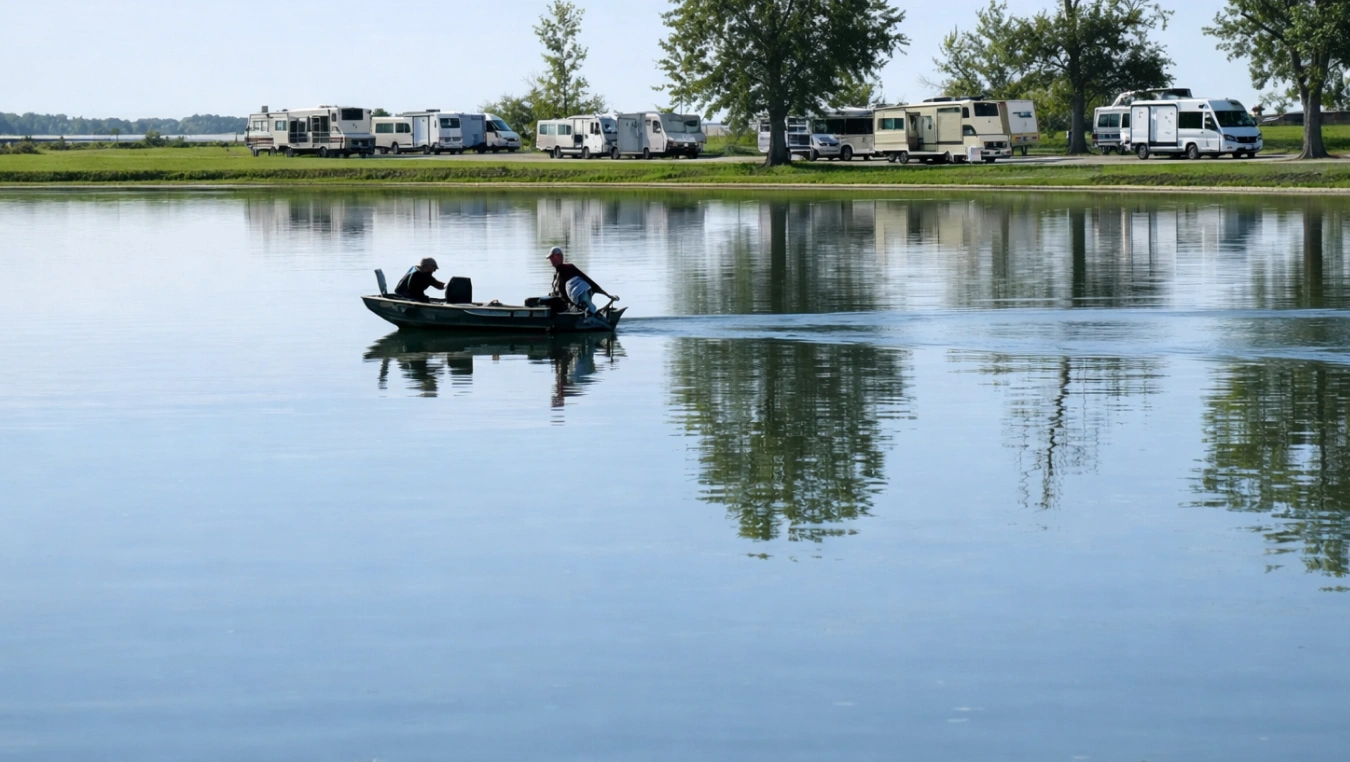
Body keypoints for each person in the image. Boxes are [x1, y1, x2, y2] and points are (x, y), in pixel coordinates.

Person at [547, 247, 612, 315]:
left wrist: (606, 294)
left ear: (558, 256)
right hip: (566, 306)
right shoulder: (557, 274)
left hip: (568, 308)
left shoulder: (568, 268)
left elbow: (588, 280)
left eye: (552, 257)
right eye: (550, 258)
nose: (550, 260)